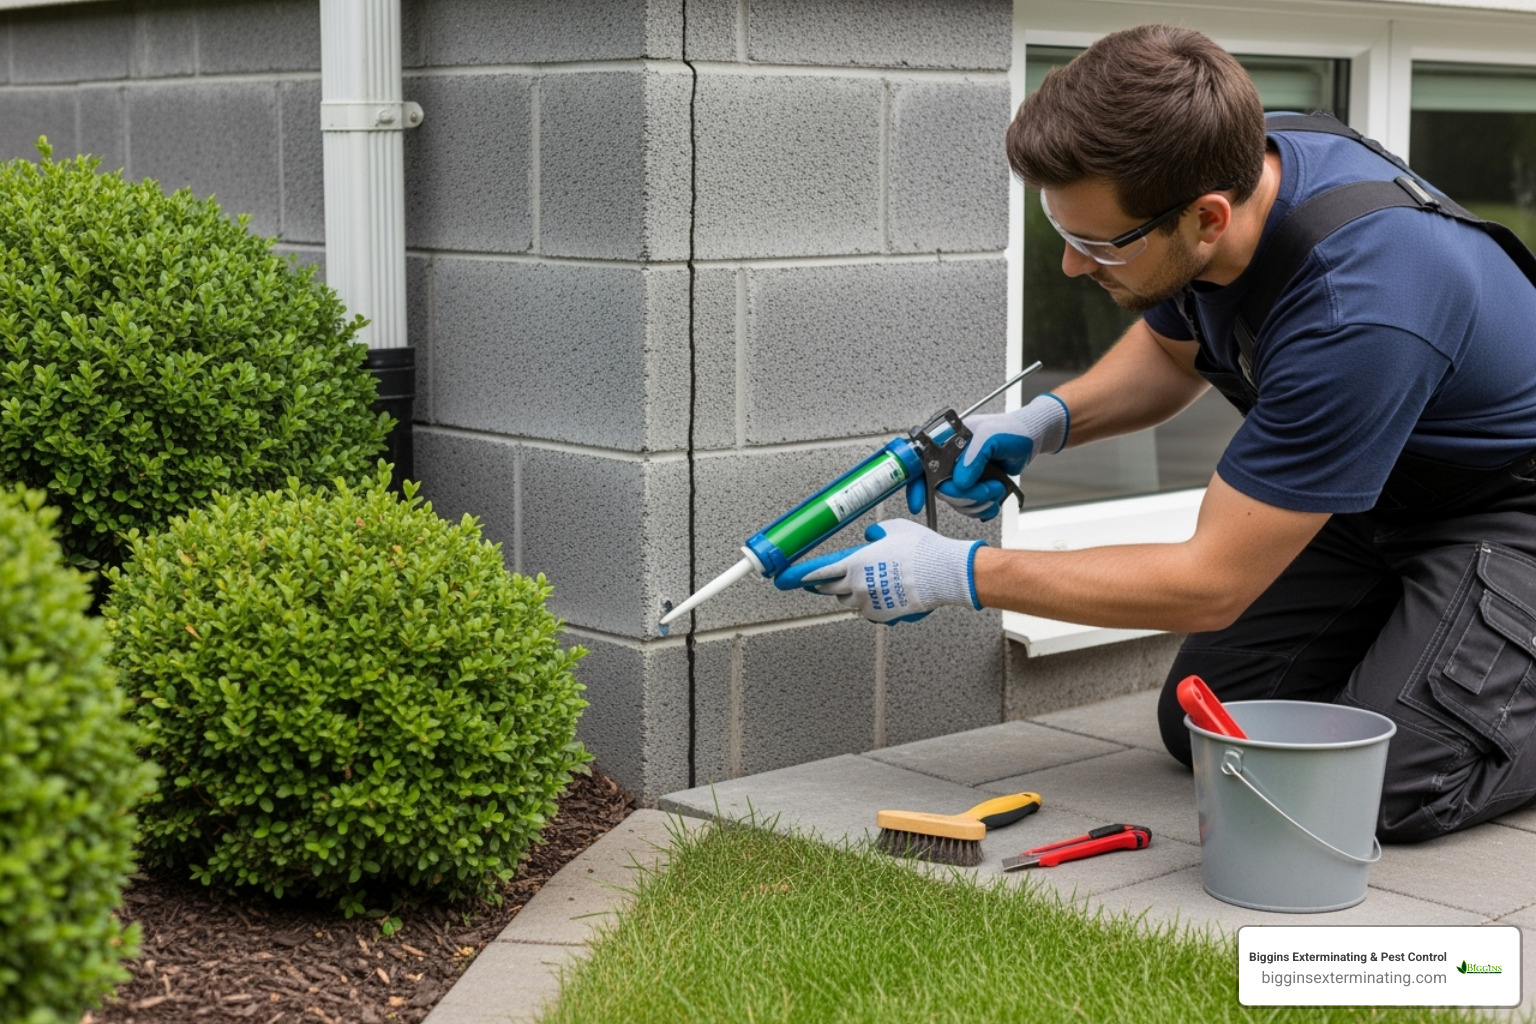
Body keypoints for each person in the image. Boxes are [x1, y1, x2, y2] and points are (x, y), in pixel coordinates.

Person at [776, 23, 1536, 843]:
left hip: (1506, 511)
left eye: (1096, 244)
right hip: (1372, 498)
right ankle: (1449, 653)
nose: (1071, 267)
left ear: (1208, 218)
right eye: (1061, 233)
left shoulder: (1361, 311)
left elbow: (1210, 583)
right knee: (1208, 730)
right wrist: (1047, 421)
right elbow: (1177, 351)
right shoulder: (1226, 163)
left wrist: (957, 572)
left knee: (1378, 792)